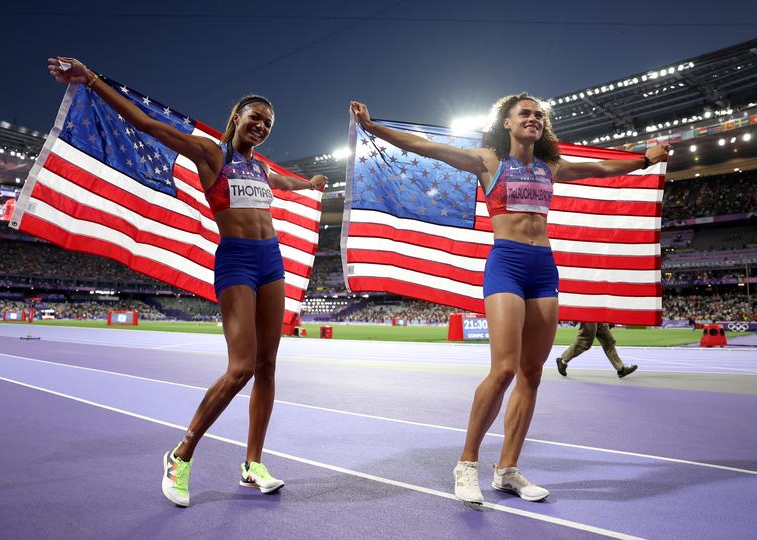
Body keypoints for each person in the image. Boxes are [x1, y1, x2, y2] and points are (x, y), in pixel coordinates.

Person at [350, 94, 668, 504]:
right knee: (502, 370)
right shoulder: (488, 162)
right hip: (507, 265)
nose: (533, 119)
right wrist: (373, 128)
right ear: (507, 123)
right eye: (525, 114)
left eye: (539, 115)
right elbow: (426, 147)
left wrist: (644, 158)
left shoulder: (549, 166)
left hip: (543, 269)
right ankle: (466, 463)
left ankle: (508, 469)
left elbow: (601, 167)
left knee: (531, 374)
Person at [48, 57, 327, 507]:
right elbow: (145, 123)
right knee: (241, 368)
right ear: (237, 116)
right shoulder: (210, 153)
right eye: (256, 117)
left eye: (269, 123)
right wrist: (92, 79)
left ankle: (253, 464)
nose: (262, 126)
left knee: (268, 366)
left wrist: (310, 182)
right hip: (236, 262)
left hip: (272, 261)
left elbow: (289, 184)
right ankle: (181, 455)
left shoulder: (261, 171)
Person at [556, 323, 638, 378]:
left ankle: (621, 369)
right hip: (588, 310)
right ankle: (562, 361)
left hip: (599, 312)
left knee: (608, 341)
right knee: (585, 341)